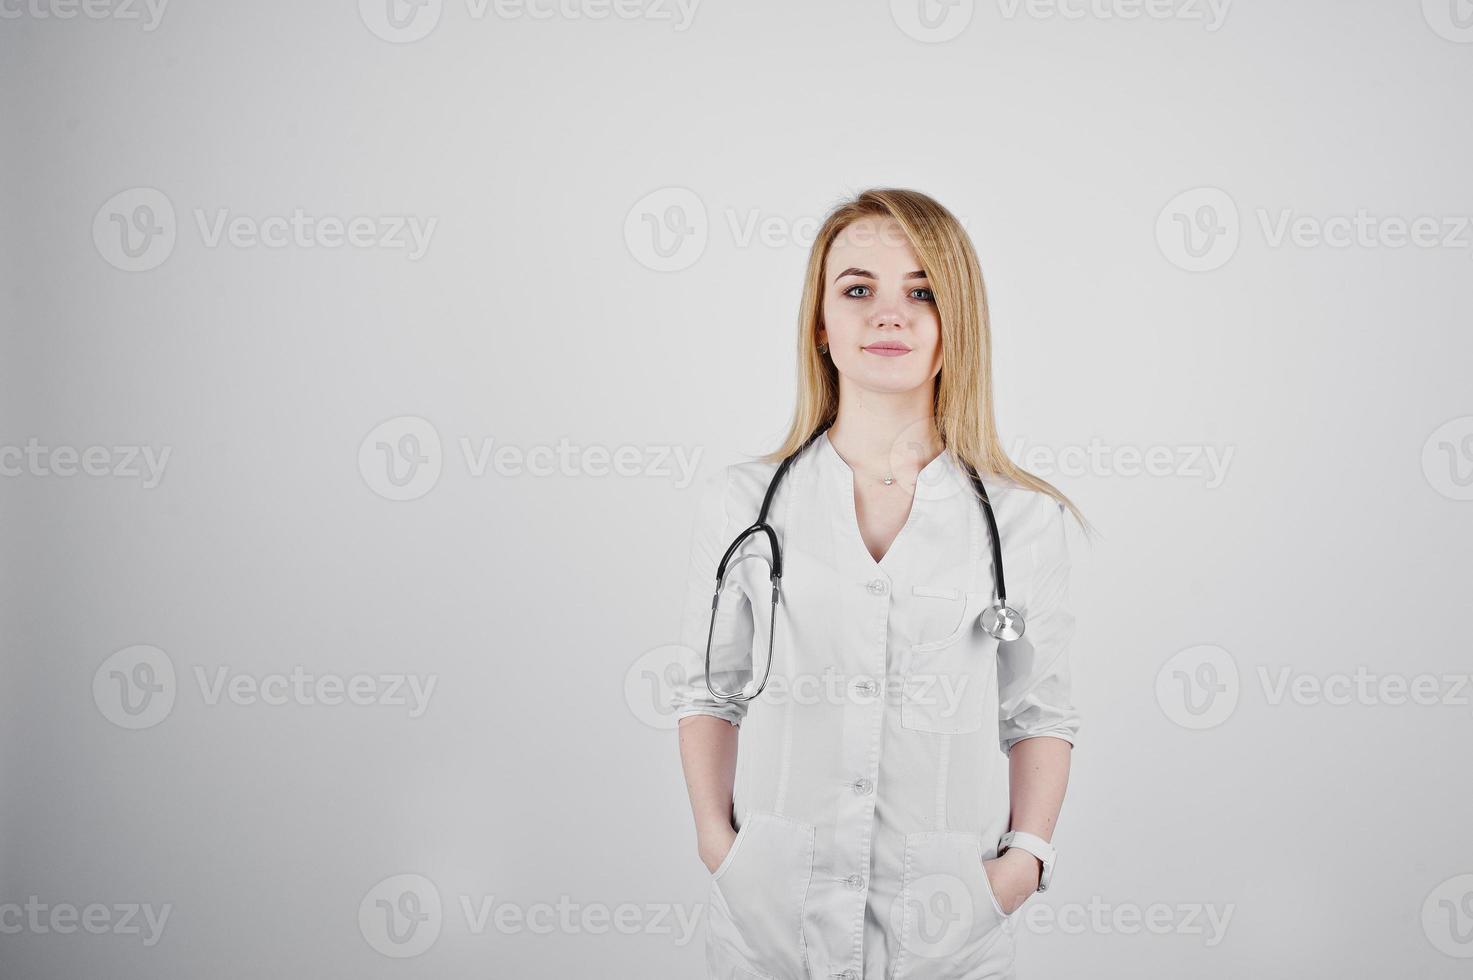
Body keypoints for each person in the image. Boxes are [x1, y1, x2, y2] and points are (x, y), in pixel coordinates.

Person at [670, 187, 1087, 980]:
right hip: (769, 919)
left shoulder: (1022, 519)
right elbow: (707, 690)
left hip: (948, 924)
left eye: (921, 292)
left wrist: (1022, 864)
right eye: (857, 289)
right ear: (821, 327)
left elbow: (1040, 711)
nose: (888, 315)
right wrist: (718, 846)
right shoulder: (742, 501)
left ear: (953, 324)